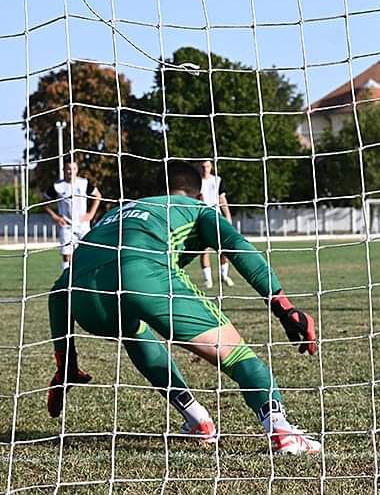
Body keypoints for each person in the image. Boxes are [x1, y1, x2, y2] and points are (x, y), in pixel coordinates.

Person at [46, 161, 320, 455]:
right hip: (144, 275)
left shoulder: (116, 213)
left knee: (134, 332)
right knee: (237, 355)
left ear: (158, 191)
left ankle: (197, 420)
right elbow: (238, 248)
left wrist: (66, 363)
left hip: (85, 299)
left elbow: (59, 291)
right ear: (199, 195)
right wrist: (283, 307)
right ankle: (280, 430)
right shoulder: (198, 209)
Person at [43, 162, 102, 269]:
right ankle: (66, 281)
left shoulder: (84, 183)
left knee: (87, 253)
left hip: (83, 225)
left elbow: (98, 196)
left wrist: (91, 214)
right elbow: (44, 203)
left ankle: (83, 280)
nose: (71, 171)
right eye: (68, 169)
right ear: (64, 170)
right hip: (66, 225)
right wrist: (55, 217)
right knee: (67, 256)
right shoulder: (57, 186)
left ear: (77, 169)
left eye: (73, 168)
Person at [199, 160, 235, 289]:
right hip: (202, 218)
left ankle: (224, 275)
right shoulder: (196, 182)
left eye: (207, 166)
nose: (205, 169)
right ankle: (208, 280)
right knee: (204, 250)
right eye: (203, 166)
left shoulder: (218, 180)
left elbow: (222, 199)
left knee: (223, 249)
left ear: (211, 167)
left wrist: (228, 216)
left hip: (217, 217)